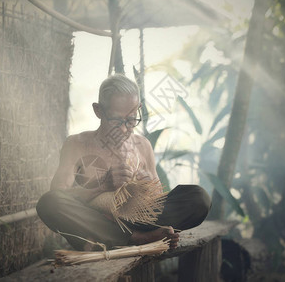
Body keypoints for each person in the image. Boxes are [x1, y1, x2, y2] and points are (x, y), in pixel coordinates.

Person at [36, 74, 211, 251]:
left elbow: (158, 199)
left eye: (130, 120)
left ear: (138, 109)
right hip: (95, 222)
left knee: (198, 198)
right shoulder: (77, 144)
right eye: (115, 120)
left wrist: (146, 185)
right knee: (49, 202)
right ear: (98, 111)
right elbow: (59, 194)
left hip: (136, 223)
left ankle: (121, 238)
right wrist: (103, 186)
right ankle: (135, 239)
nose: (123, 128)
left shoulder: (143, 146)